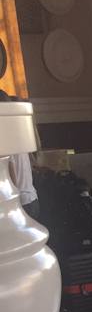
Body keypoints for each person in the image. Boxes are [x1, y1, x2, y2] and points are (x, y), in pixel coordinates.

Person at [0, 90, 39, 219]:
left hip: (21, 202)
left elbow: (12, 177)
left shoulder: (5, 138)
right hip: (31, 196)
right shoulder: (19, 133)